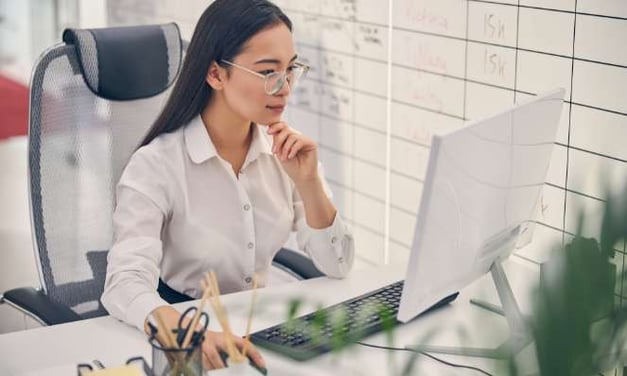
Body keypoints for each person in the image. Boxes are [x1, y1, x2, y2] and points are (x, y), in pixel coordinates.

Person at [101, 0, 355, 370]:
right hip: (186, 343)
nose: (285, 88)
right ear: (216, 75)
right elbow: (123, 283)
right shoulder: (156, 166)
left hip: (262, 333)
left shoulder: (283, 152)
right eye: (269, 71)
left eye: (291, 69)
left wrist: (310, 183)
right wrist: (187, 333)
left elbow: (338, 264)